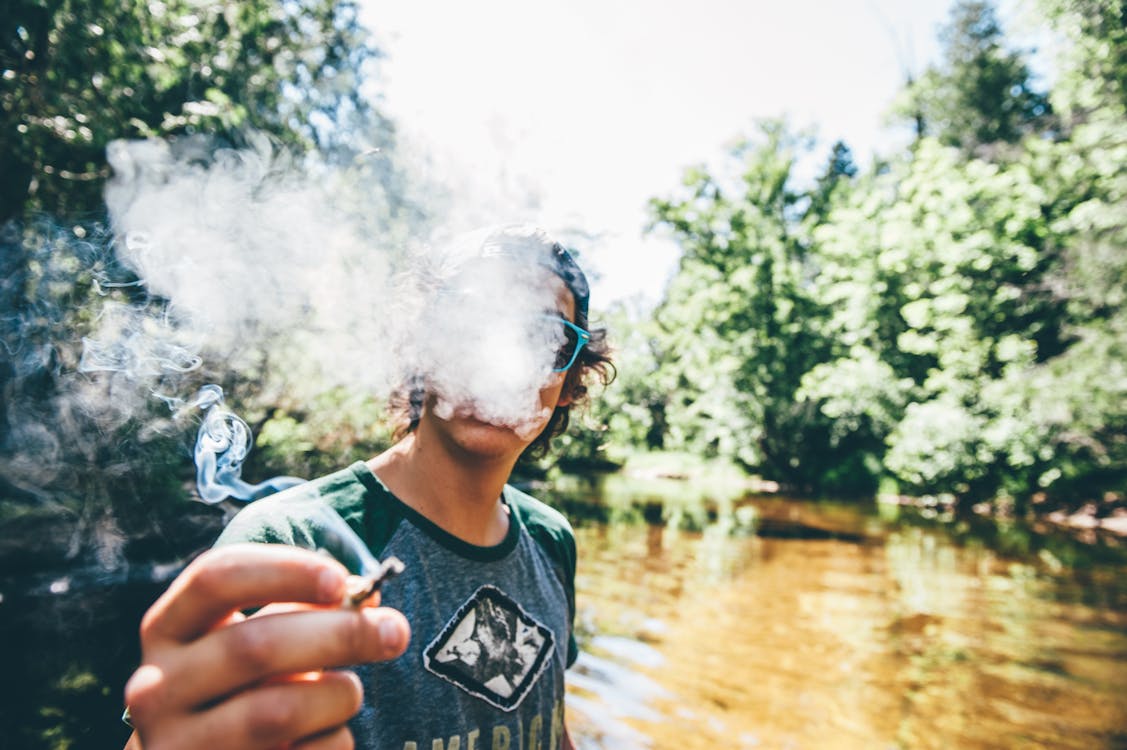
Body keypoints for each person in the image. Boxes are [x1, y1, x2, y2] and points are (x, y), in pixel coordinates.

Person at [123, 225, 614, 750]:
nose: (501, 357)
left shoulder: (550, 540)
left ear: (570, 381)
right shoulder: (289, 541)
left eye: (542, 336)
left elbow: (546, 720)